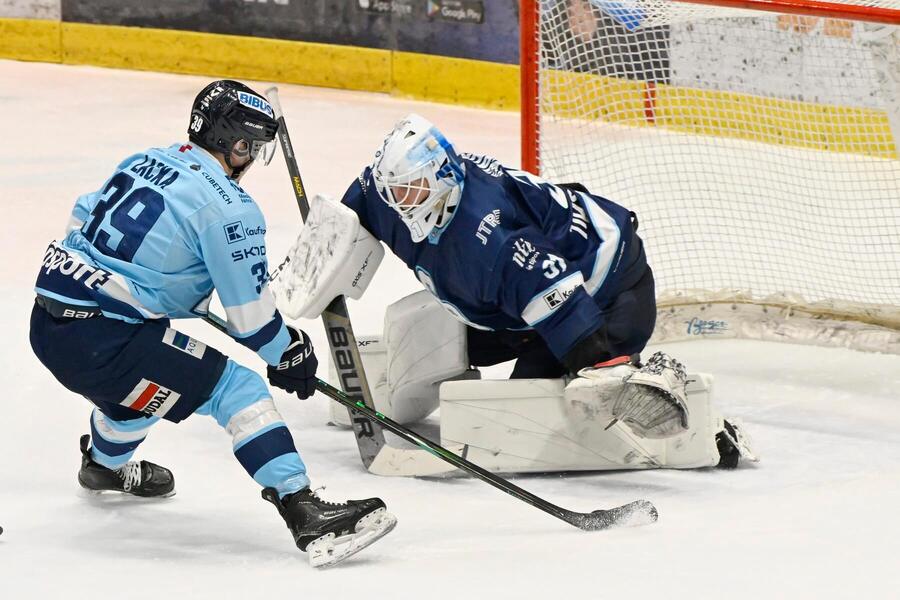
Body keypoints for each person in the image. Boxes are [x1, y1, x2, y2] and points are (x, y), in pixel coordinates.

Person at [28, 80, 396, 567]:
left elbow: (81, 215)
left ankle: (104, 467)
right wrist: (290, 353)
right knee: (236, 390)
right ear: (236, 143)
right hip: (105, 339)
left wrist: (148, 285)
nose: (251, 157)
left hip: (48, 322)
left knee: (145, 388)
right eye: (251, 146)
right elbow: (251, 320)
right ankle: (305, 511)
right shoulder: (229, 209)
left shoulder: (145, 159)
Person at [338, 113, 697, 444]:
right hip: (515, 303)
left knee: (524, 415)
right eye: (393, 190)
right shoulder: (394, 198)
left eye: (409, 189)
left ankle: (673, 400)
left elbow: (563, 304)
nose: (399, 202)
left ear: (441, 176)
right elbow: (357, 206)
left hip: (610, 297)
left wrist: (600, 371)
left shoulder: (494, 242)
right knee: (428, 332)